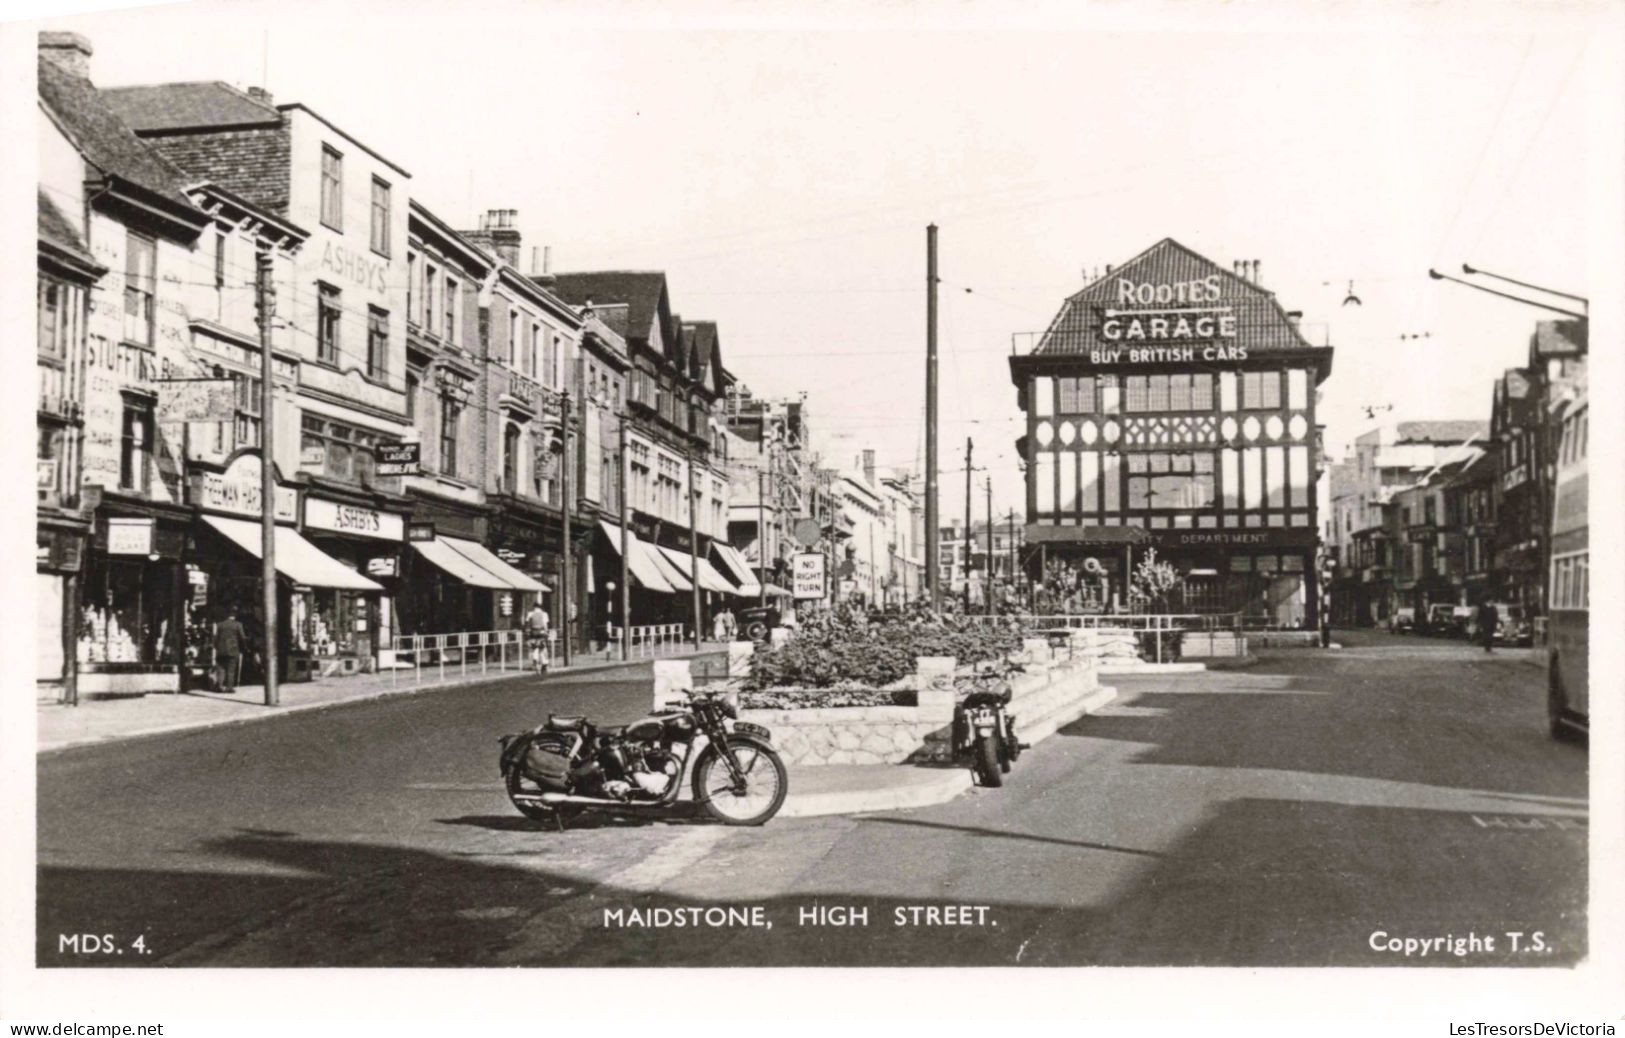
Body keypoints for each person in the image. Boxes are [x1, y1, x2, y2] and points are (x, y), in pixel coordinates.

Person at [214, 609, 246, 694]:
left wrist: (217, 647)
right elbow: (242, 637)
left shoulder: (220, 625)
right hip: (233, 649)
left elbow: (216, 638)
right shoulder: (238, 625)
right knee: (231, 669)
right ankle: (229, 687)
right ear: (234, 616)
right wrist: (243, 647)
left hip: (221, 650)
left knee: (221, 668)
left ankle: (219, 686)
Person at [525, 601, 551, 672]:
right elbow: (545, 625)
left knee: (534, 648)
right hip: (541, 633)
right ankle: (544, 664)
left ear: (534, 607)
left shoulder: (530, 614)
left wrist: (527, 633)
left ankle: (535, 662)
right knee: (542, 648)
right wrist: (547, 632)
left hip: (533, 633)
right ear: (540, 607)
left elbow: (527, 624)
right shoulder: (544, 614)